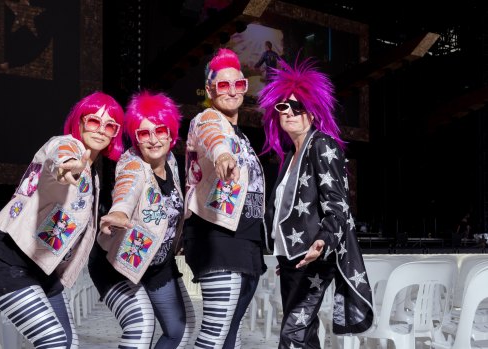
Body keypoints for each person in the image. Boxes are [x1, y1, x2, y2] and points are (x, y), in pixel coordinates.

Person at [0, 91, 124, 348]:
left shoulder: (94, 177)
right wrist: (68, 164)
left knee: (67, 342)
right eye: (93, 121)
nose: (101, 130)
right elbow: (60, 154)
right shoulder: (65, 144)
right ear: (79, 122)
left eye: (109, 125)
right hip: (7, 258)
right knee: (53, 340)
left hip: (43, 268)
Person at [259, 57, 374, 348]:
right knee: (304, 334)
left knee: (292, 336)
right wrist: (284, 247)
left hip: (314, 257)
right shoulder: (288, 158)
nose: (290, 113)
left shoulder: (322, 144)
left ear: (312, 112)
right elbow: (285, 212)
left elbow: (338, 204)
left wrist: (322, 241)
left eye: (298, 106)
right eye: (283, 106)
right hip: (291, 259)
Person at [88, 91, 196, 348]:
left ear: (171, 133)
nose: (154, 140)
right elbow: (127, 187)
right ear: (136, 138)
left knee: (178, 329)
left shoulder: (171, 161)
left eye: (160, 130)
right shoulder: (132, 164)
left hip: (157, 266)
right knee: (142, 324)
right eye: (144, 133)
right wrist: (119, 212)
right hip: (118, 265)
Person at [183, 48, 267, 348]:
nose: (232, 91)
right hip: (218, 236)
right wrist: (222, 155)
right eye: (223, 85)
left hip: (244, 238)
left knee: (233, 332)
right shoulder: (208, 119)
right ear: (209, 89)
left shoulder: (240, 134)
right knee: (215, 333)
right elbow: (213, 137)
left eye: (239, 84)